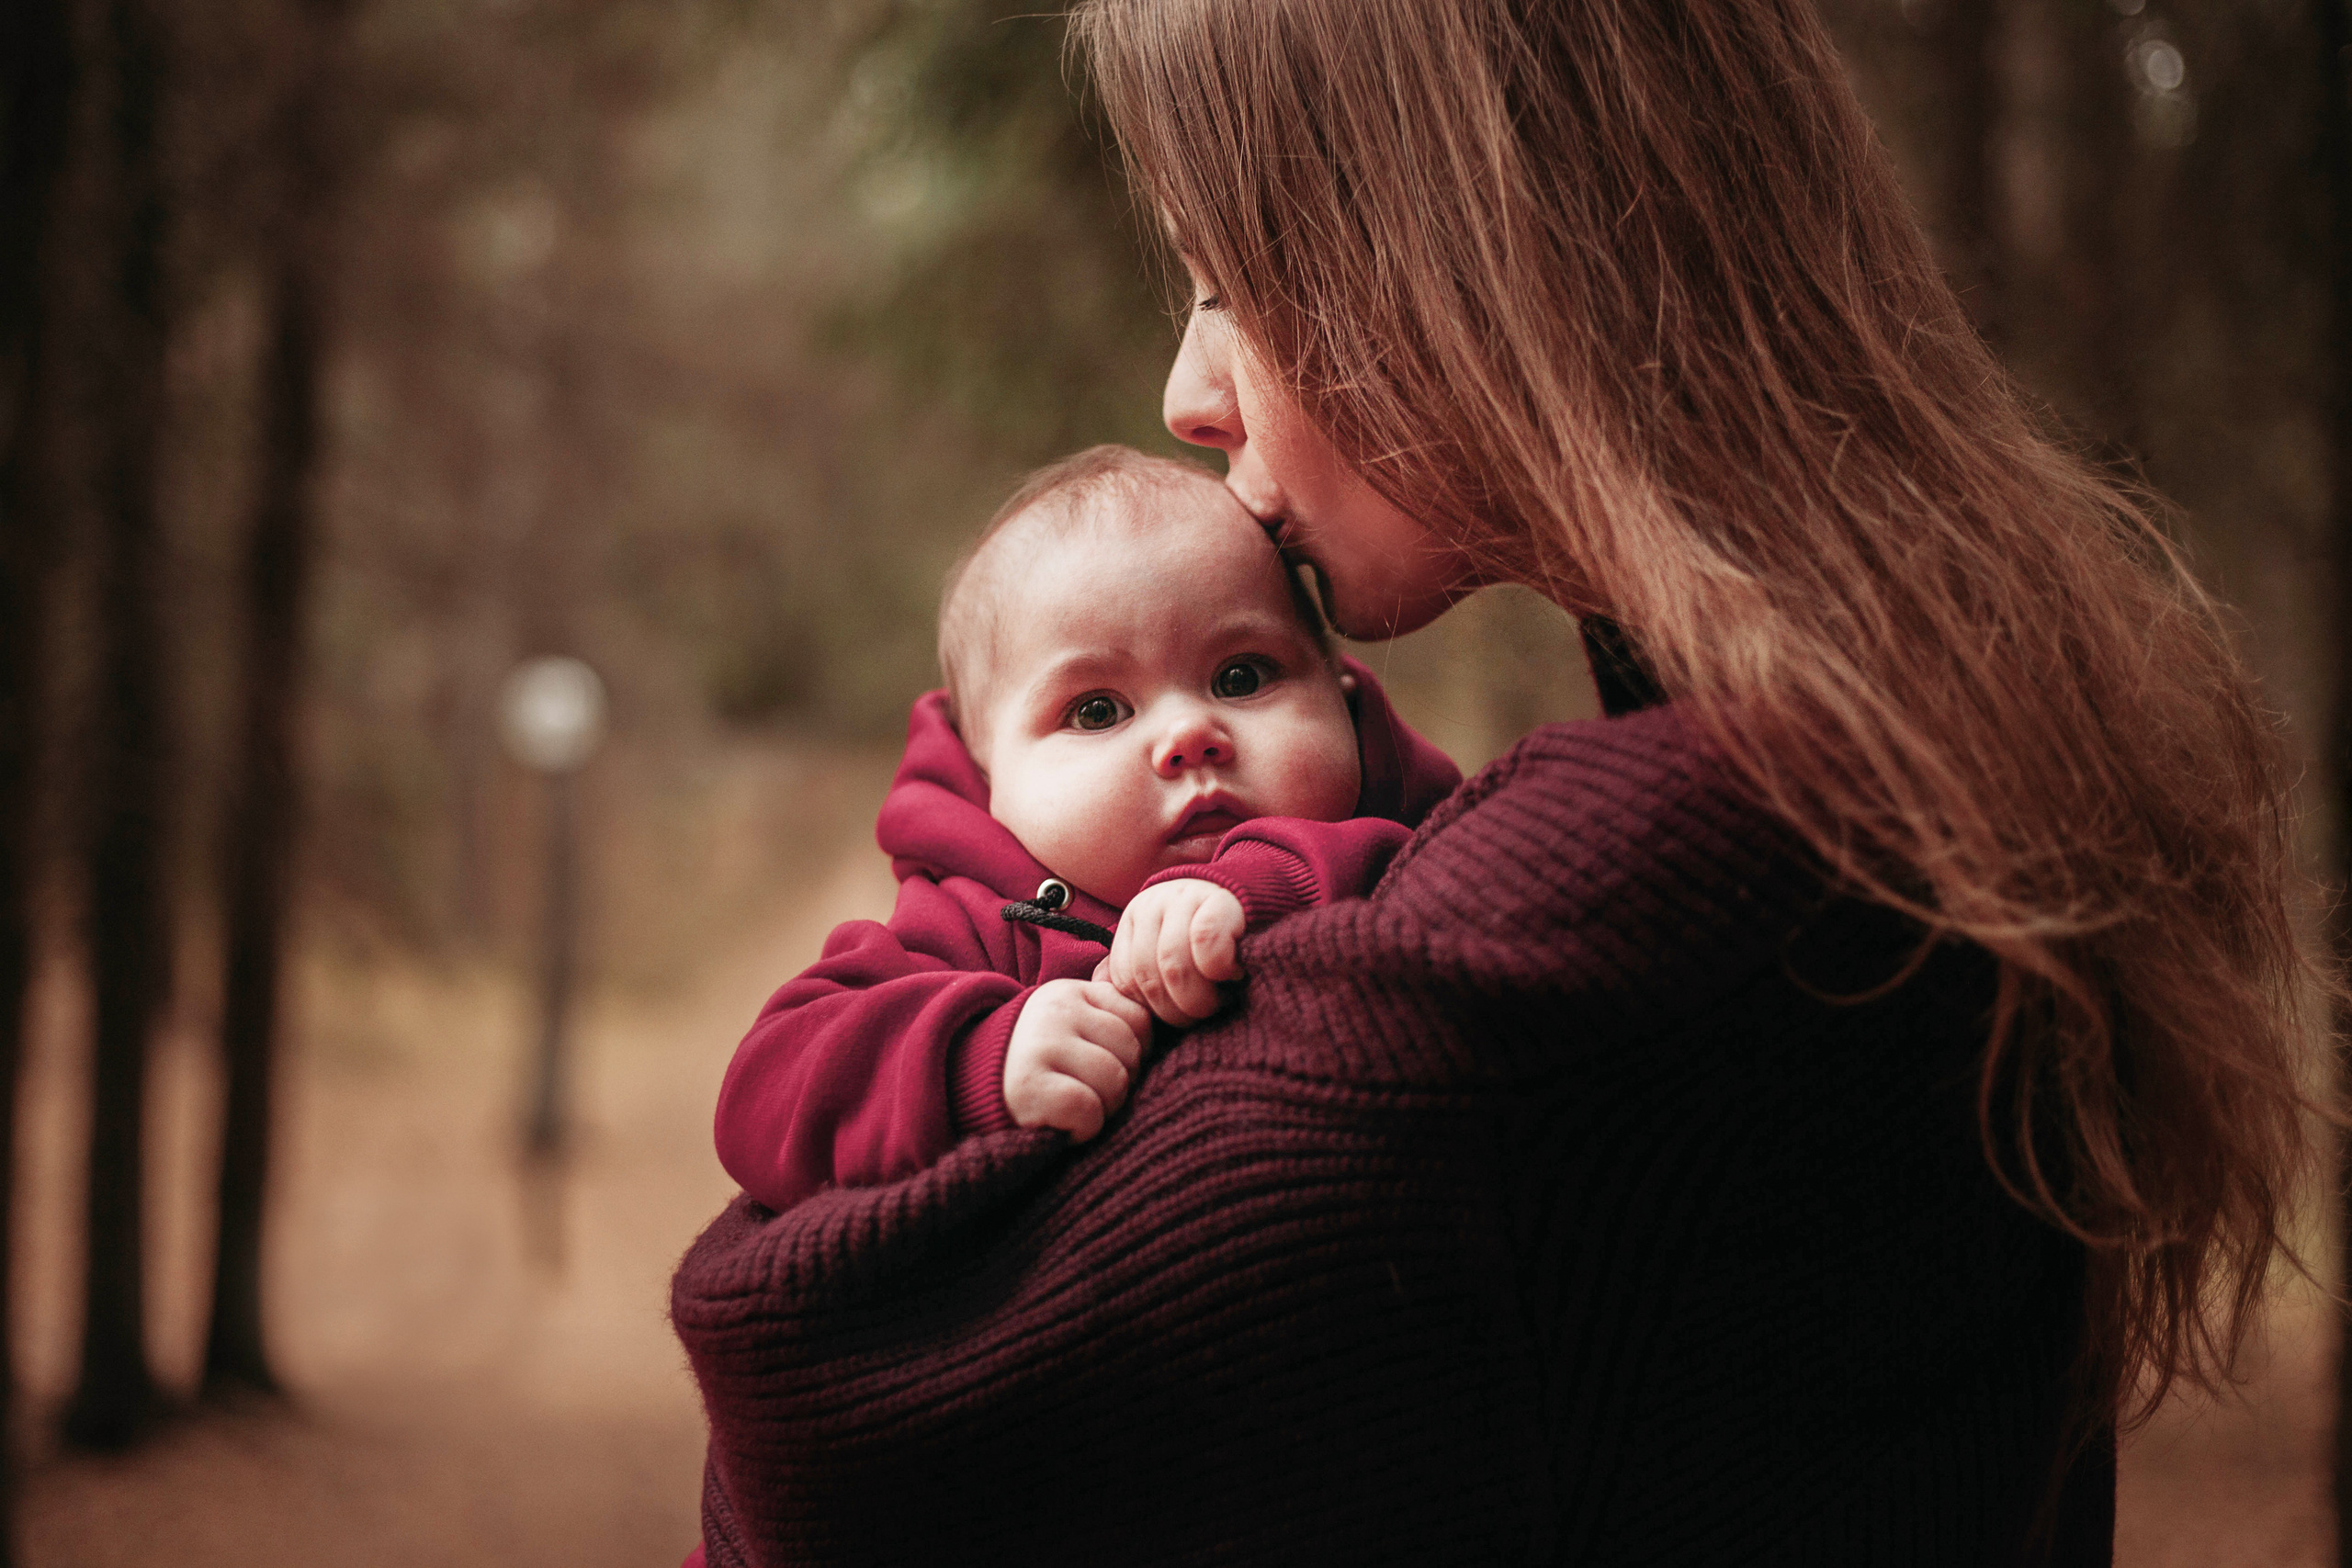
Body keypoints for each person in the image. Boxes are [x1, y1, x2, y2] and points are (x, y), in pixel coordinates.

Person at [672, 3, 2322, 1563]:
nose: (1188, 392)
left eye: (1230, 280)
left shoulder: (1622, 917)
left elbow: (795, 1381)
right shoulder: (1935, 750)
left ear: (1454, 253)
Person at [711, 444, 1459, 1214]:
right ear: (986, 772)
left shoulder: (1423, 838)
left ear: (1341, 691)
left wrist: (1260, 885)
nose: (1188, 733)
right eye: (1097, 709)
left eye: (1243, 675)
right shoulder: (969, 930)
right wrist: (977, 1060)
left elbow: (1439, 883)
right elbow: (763, 1091)